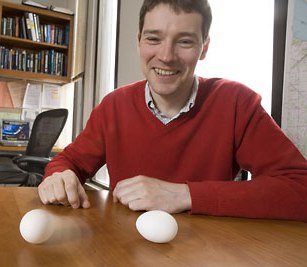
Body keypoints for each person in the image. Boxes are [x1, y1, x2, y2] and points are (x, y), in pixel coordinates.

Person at [38, 0, 307, 222]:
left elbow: (300, 188)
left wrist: (184, 195)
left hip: (206, 253)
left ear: (204, 47)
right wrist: (60, 177)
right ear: (139, 41)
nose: (166, 56)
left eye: (185, 42)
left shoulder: (237, 103)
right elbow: (67, 162)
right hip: (124, 250)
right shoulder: (113, 106)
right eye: (154, 38)